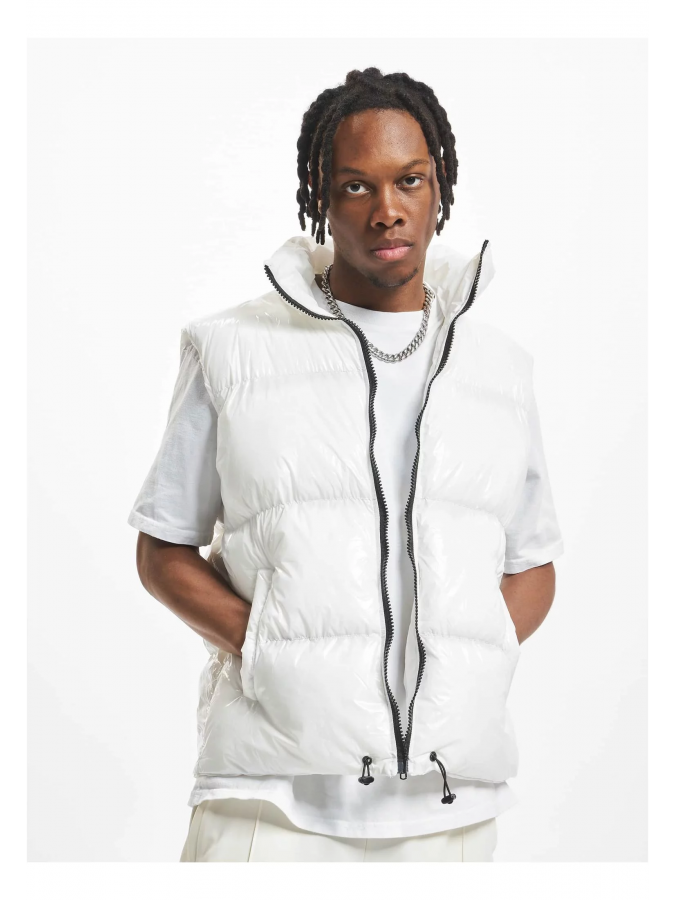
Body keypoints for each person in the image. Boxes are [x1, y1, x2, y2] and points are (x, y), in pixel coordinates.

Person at [128, 67, 564, 863]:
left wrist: (468, 660)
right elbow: (163, 548)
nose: (386, 209)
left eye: (409, 180)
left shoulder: (499, 369)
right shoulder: (232, 350)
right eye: (356, 186)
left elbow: (532, 561)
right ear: (320, 199)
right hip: (269, 802)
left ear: (440, 186)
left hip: (450, 807)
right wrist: (266, 646)